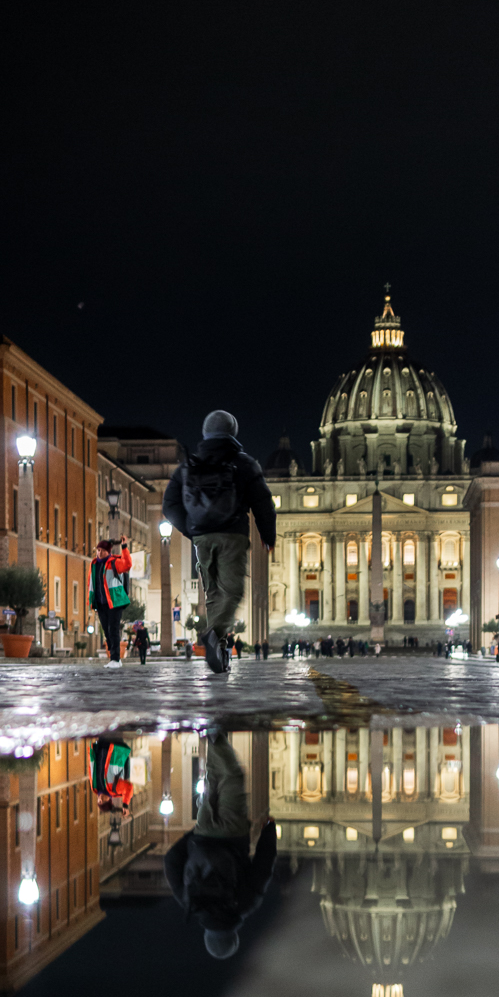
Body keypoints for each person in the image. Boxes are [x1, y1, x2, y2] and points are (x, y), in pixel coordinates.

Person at [162, 410, 276, 675]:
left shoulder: (188, 466)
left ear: (205, 432)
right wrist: (267, 536)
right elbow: (263, 504)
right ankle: (214, 634)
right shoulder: (245, 463)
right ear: (232, 432)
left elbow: (170, 504)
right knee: (232, 590)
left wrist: (192, 530)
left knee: (213, 593)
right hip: (232, 534)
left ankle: (219, 648)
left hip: (202, 537)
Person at [164, 731, 277, 958]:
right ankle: (214, 732)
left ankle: (214, 733)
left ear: (233, 936)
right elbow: (171, 861)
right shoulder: (190, 904)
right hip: (203, 832)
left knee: (233, 777)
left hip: (233, 833)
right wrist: (193, 837)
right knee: (214, 777)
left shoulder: (244, 905)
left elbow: (264, 866)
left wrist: (269, 831)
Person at [89, 538, 132, 669]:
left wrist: (124, 547)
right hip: (101, 603)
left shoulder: (114, 562)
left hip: (114, 601)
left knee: (113, 630)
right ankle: (113, 659)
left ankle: (116, 659)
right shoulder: (94, 563)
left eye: (102, 550)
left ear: (108, 551)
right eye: (98, 550)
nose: (99, 553)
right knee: (107, 632)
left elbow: (127, 565)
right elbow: (93, 583)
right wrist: (91, 600)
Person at [89, 734, 133, 813]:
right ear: (110, 800)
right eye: (104, 801)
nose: (100, 799)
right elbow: (129, 788)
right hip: (115, 747)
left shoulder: (94, 788)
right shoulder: (115, 789)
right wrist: (125, 805)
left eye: (99, 802)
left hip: (100, 746)